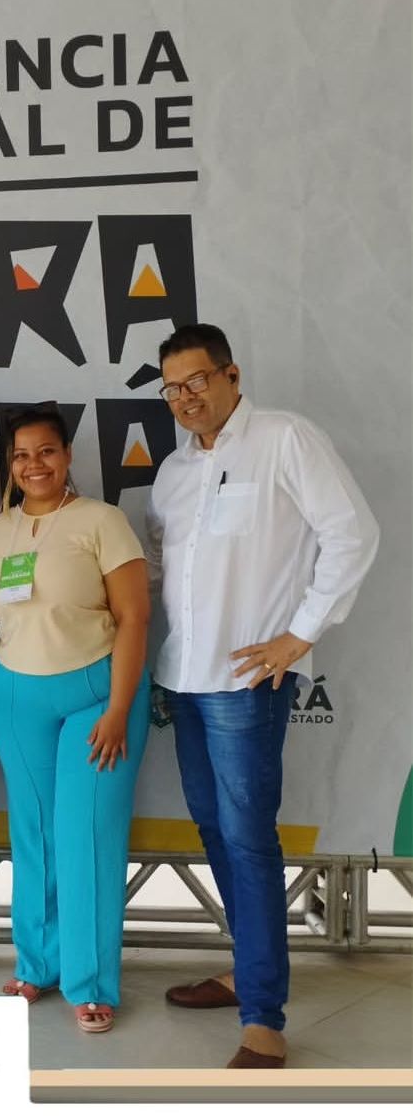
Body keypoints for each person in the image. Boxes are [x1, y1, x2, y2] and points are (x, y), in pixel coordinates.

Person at [147, 323, 379, 1068]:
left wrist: (300, 634)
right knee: (216, 832)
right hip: (184, 679)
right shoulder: (173, 471)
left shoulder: (284, 438)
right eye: (172, 389)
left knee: (248, 838)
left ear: (231, 375)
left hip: (247, 684)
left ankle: (264, 1016)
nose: (185, 398)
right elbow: (164, 568)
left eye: (197, 381)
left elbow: (352, 534)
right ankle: (246, 970)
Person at [0, 405, 151, 1033]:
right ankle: (38, 964)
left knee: (86, 837)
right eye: (21, 455)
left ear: (68, 455)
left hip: (95, 698)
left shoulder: (102, 521)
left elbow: (134, 617)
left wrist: (119, 708)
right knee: (35, 835)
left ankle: (91, 982)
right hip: (16, 696)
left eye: (46, 451)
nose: (34, 465)